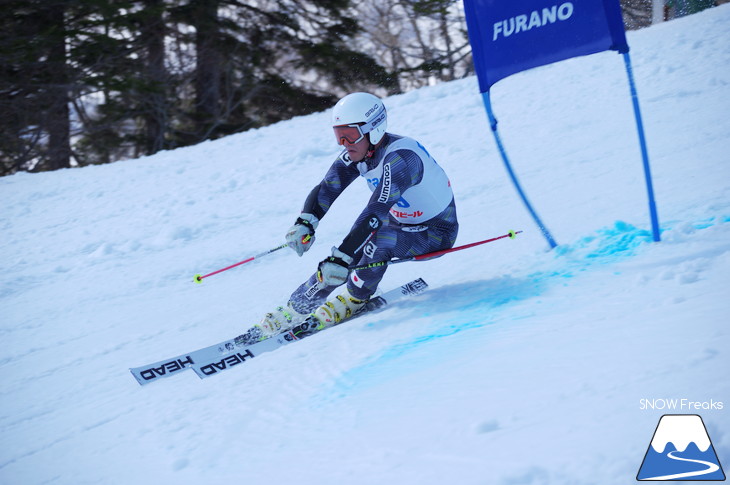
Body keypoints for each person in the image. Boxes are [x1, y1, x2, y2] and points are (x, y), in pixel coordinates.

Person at [240, 92, 458, 343]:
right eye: (338, 135)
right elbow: (327, 188)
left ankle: (355, 299)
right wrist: (306, 222)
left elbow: (375, 210)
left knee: (373, 240)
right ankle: (297, 307)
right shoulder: (360, 152)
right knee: (351, 250)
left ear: (373, 130)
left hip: (435, 233)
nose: (344, 142)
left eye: (350, 134)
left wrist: (341, 256)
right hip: (400, 225)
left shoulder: (401, 159)